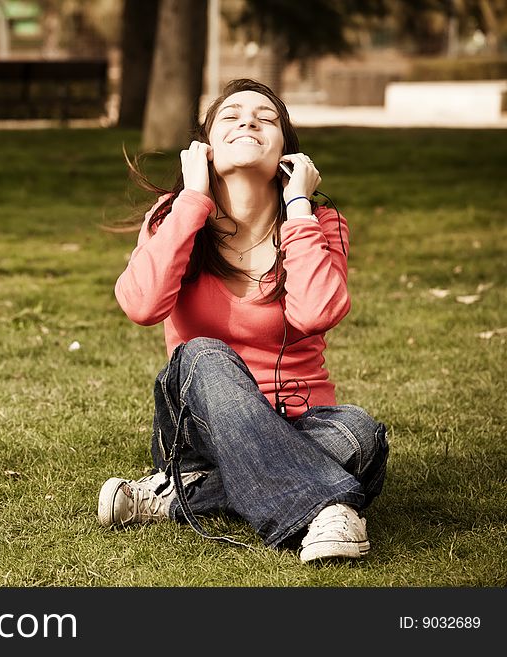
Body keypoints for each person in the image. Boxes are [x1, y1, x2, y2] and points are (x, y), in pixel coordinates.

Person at [98, 78, 389, 563]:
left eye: (266, 117)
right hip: (201, 429)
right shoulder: (173, 217)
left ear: (288, 155)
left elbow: (315, 313)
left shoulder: (319, 223)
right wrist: (192, 201)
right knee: (203, 354)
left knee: (358, 436)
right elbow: (141, 306)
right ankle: (328, 508)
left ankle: (183, 495)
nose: (248, 120)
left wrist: (297, 209)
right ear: (205, 147)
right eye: (230, 116)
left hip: (305, 423)